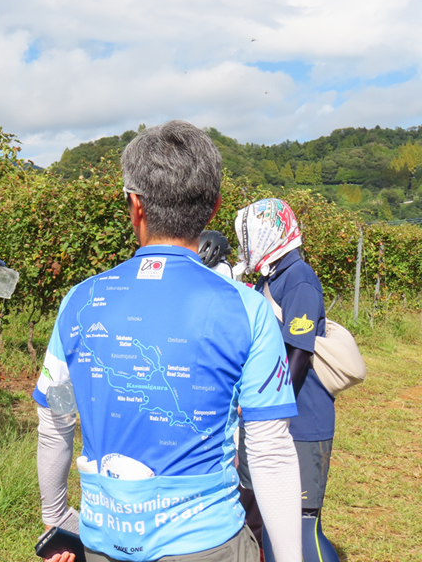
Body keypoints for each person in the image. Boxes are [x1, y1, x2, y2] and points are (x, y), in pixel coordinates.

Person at [34, 121, 302, 562]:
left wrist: (56, 517)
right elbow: (270, 449)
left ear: (134, 205)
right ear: (213, 208)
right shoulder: (248, 308)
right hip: (209, 543)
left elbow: (55, 423)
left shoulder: (80, 301)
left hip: (104, 540)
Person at [233, 199, 338, 562]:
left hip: (301, 421)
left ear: (274, 234)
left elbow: (299, 353)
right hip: (271, 420)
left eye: (253, 237)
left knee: (302, 528)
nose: (248, 246)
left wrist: (268, 411)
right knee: (260, 519)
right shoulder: (271, 276)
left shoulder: (299, 278)